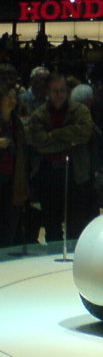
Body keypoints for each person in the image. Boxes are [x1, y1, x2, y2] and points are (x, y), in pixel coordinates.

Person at [28, 73, 93, 242]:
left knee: (76, 223)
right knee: (52, 223)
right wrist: (70, 142)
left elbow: (85, 133)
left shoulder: (80, 111)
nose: (60, 94)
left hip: (75, 173)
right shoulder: (39, 115)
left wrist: (54, 134)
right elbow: (40, 143)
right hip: (49, 175)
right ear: (48, 92)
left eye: (63, 90)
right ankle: (53, 253)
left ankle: (73, 253)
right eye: (56, 91)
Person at [0, 82, 29, 246]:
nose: (12, 101)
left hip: (12, 180)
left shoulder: (16, 122)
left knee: (8, 228)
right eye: (8, 97)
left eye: (14, 97)